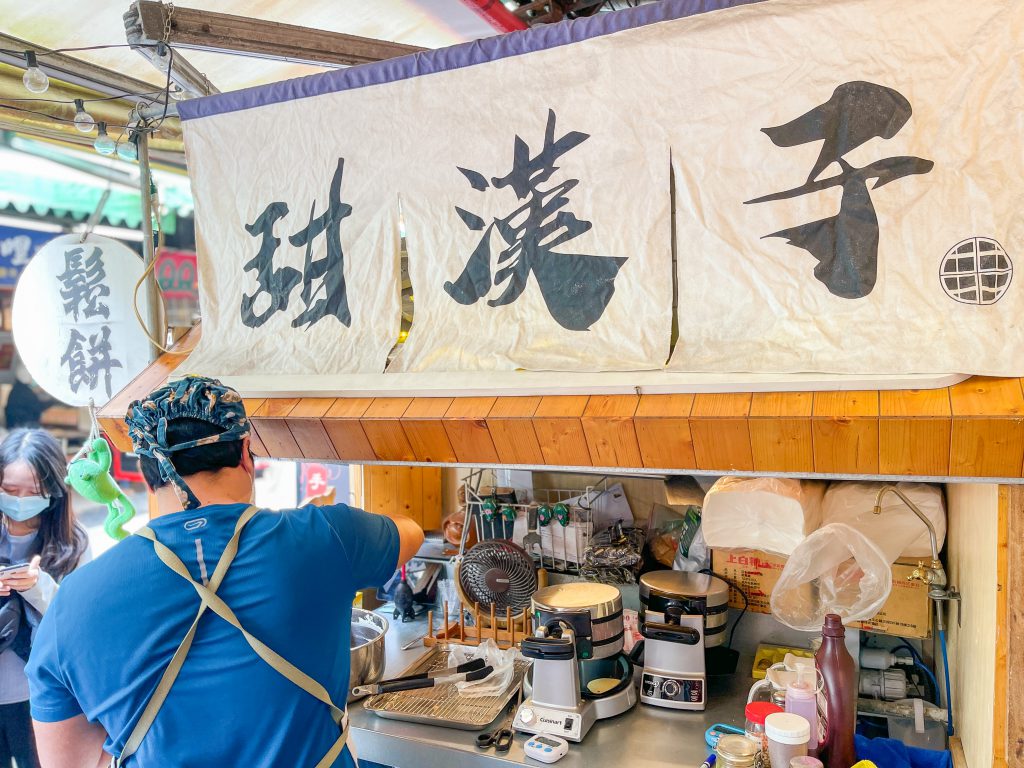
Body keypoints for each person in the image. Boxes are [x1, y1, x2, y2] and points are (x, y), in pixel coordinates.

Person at [25, 376, 423, 768]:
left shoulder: (72, 603)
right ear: (246, 453)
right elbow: (411, 533)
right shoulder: (324, 537)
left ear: (148, 470)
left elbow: (70, 762)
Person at [0, 430, 89, 768]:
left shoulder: (74, 543)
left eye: (34, 493)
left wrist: (39, 586)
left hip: (42, 697)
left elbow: (81, 622)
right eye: (9, 491)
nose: (20, 502)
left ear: (53, 491)